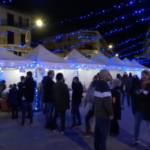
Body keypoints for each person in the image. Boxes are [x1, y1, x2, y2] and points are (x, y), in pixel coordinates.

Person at [94, 69, 113, 150]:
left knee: (97, 136)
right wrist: (111, 113)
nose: (110, 76)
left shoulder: (97, 84)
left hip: (97, 114)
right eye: (109, 74)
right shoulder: (105, 86)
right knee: (103, 137)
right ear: (104, 76)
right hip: (104, 115)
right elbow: (107, 103)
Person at [138, 70, 150, 149]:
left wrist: (143, 93)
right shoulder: (140, 84)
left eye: (145, 74)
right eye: (142, 74)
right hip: (144, 108)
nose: (143, 76)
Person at [130, 75, 141, 145]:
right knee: (137, 125)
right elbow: (133, 100)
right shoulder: (135, 87)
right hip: (138, 109)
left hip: (143, 109)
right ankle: (135, 138)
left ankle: (135, 138)